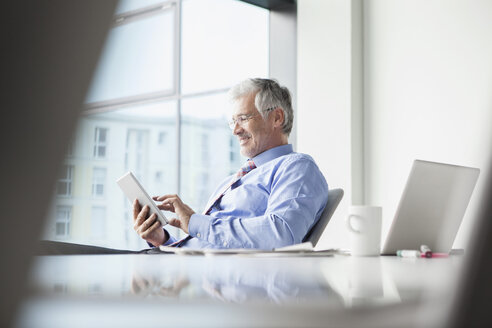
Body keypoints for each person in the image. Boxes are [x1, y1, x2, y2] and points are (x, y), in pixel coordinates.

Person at [133, 78, 328, 249]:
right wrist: (162, 240)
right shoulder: (231, 181)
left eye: (243, 119)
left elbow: (280, 235)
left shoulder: (297, 167)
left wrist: (194, 222)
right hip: (190, 274)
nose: (235, 130)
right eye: (233, 121)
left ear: (276, 118)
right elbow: (204, 244)